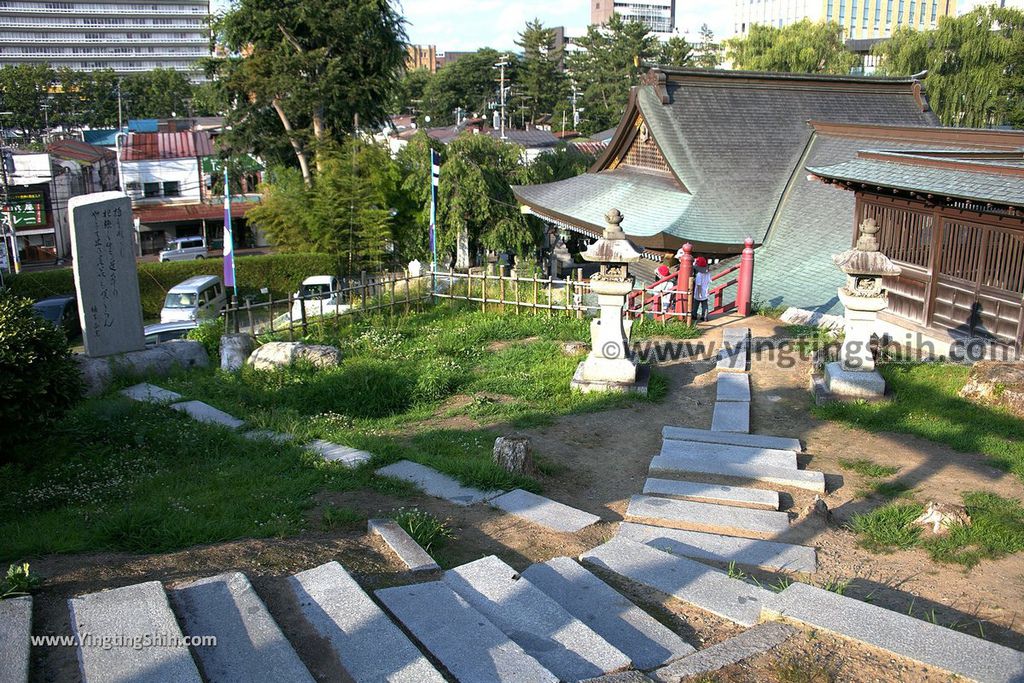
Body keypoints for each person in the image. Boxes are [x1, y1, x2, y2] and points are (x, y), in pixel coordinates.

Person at [693, 256, 711, 322]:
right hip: (706, 290)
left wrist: (699, 294)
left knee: (695, 305)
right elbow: (709, 281)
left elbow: (699, 285)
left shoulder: (699, 274)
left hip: (699, 292)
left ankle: (694, 315)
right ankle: (705, 316)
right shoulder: (708, 272)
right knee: (705, 305)